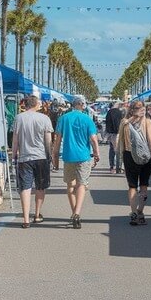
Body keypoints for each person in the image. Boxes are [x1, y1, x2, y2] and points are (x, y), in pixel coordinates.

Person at [52, 95, 99, 229]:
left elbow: (58, 139)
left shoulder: (63, 118)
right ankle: (77, 212)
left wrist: (55, 155)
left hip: (68, 156)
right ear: (83, 105)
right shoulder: (87, 119)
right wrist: (96, 153)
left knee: (70, 185)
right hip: (83, 156)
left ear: (73, 105)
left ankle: (74, 212)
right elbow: (94, 139)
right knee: (81, 184)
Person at [11, 94, 55, 228]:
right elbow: (48, 140)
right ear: (36, 104)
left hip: (24, 157)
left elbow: (15, 139)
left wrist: (14, 155)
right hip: (41, 157)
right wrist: (49, 155)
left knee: (25, 187)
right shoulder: (44, 118)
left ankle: (25, 219)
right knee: (40, 186)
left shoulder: (19, 118)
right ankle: (37, 214)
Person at [118, 100, 151, 225]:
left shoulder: (124, 123)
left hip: (129, 155)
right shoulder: (147, 122)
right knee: (143, 186)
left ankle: (133, 213)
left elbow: (120, 143)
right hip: (146, 156)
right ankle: (140, 212)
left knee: (132, 186)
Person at [104, 101, 124, 174]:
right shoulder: (119, 112)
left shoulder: (109, 112)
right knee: (119, 151)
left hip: (111, 134)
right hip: (118, 133)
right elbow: (119, 123)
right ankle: (119, 167)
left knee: (112, 150)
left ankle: (112, 166)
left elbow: (107, 123)